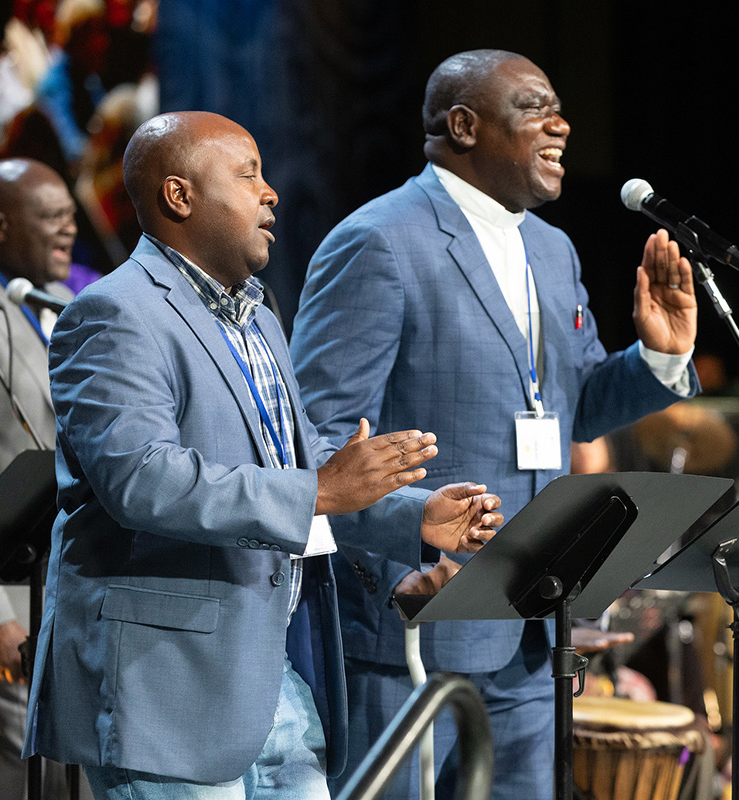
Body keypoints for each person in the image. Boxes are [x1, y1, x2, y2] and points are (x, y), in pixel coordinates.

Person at [22, 110, 503, 799]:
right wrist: (320, 493)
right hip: (168, 689)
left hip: (274, 673)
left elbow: (307, 468)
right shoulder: (113, 313)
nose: (271, 192)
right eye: (248, 175)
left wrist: (412, 514)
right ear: (179, 195)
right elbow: (142, 479)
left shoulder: (258, 315)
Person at [289, 49, 699, 799]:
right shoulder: (379, 240)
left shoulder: (551, 247)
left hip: (536, 627)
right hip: (417, 622)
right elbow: (316, 446)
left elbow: (570, 406)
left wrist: (655, 361)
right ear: (464, 124)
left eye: (560, 107)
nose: (562, 124)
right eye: (535, 107)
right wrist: (411, 536)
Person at [0, 156, 76, 800]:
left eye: (69, 215)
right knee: (31, 773)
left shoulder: (43, 298)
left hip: (58, 580)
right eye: (51, 218)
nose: (68, 231)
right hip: (3, 591)